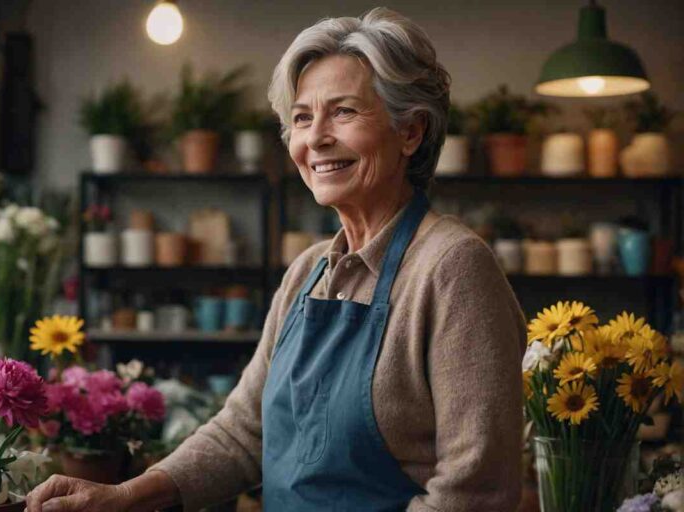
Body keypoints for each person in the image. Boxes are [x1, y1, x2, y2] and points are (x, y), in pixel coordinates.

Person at [27, 7, 525, 511]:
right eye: (303, 118)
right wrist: (124, 496)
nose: (316, 138)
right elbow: (244, 433)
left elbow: (474, 493)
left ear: (410, 132)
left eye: (345, 112)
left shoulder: (453, 268)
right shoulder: (308, 273)